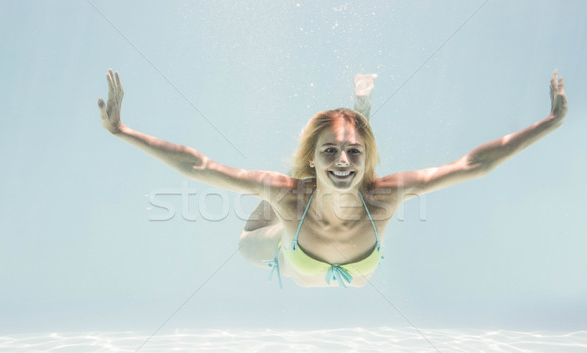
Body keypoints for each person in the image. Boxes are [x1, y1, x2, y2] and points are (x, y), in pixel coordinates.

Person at [98, 69, 568, 289]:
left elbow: (474, 164)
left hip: (356, 267)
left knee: (340, 181)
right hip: (291, 251)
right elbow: (198, 165)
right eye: (329, 151)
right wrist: (123, 131)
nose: (342, 160)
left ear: (364, 158)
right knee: (253, 239)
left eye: (352, 152)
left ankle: (359, 114)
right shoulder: (291, 196)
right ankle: (285, 198)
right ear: (315, 156)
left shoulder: (385, 194)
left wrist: (548, 123)